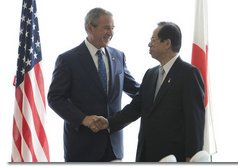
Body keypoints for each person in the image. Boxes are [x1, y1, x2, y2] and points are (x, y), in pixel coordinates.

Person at [93, 22, 205, 162]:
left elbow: (195, 120)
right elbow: (136, 107)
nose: (149, 44)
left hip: (174, 156)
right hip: (146, 153)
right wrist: (109, 122)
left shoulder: (189, 74)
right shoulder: (150, 74)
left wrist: (192, 156)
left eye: (153, 40)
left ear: (167, 43)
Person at [47, 7, 140, 162]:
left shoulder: (119, 56)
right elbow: (55, 98)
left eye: (112, 28)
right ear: (89, 27)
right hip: (82, 147)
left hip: (113, 148)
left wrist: (159, 91)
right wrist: (84, 119)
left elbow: (136, 90)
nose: (110, 33)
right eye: (106, 28)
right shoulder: (68, 60)